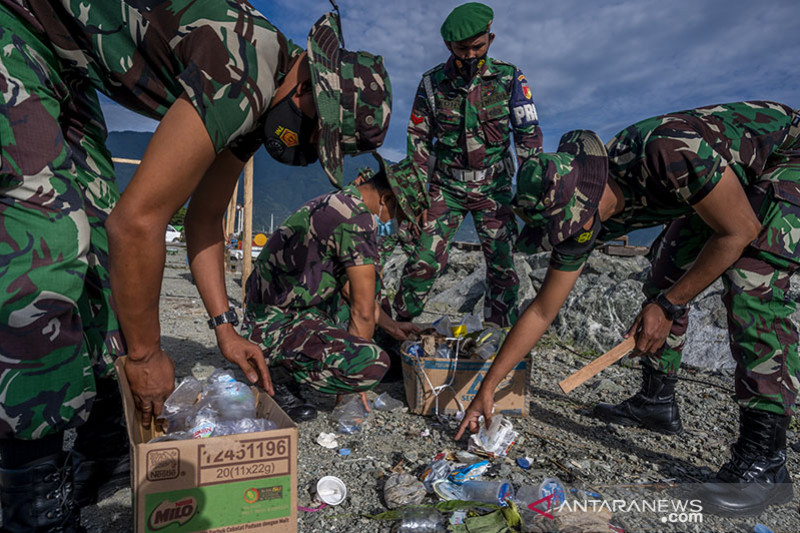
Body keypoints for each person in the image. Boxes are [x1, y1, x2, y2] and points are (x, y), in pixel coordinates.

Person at [0, 1, 390, 530]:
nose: (311, 147)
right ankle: (30, 486)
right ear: (308, 91)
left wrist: (224, 328)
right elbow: (137, 223)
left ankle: (103, 440)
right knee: (48, 243)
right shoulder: (245, 70)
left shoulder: (257, 105)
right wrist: (146, 354)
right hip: (20, 29)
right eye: (320, 134)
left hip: (66, 64)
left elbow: (205, 221)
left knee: (98, 239)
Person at [455, 101, 800, 517]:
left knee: (751, 279)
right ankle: (657, 402)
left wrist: (670, 305)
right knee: (663, 273)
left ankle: (766, 461)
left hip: (786, 158)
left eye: (571, 227)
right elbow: (543, 310)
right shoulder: (584, 217)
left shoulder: (667, 151)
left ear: (590, 193)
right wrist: (488, 387)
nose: (573, 238)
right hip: (718, 184)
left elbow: (739, 230)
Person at [241, 155, 428, 421]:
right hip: (274, 322)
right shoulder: (356, 221)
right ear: (386, 199)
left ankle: (291, 358)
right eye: (397, 212)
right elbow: (362, 311)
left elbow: (351, 291)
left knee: (374, 307)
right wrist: (350, 388)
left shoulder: (342, 202)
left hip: (285, 307)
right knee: (373, 363)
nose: (394, 220)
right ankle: (277, 374)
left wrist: (390, 326)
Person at [391, 1, 542, 328]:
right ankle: (397, 333)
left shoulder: (509, 78)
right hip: (446, 188)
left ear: (491, 37)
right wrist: (415, 197)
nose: (472, 54)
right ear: (448, 45)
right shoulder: (432, 85)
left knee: (502, 268)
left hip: (495, 188)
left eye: (479, 45)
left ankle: (500, 344)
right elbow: (417, 140)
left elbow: (528, 135)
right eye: (463, 48)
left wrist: (530, 195)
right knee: (422, 262)